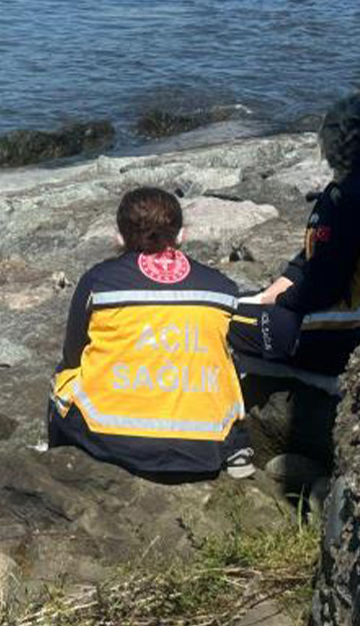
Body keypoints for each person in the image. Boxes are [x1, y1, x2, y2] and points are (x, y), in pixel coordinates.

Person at [48, 187, 248, 479]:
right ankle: (238, 448)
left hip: (115, 439)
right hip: (204, 444)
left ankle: (58, 466)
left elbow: (72, 354)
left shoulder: (99, 281)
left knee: (62, 379)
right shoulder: (222, 287)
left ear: (119, 237)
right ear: (181, 235)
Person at [231, 92, 360, 387]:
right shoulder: (347, 190)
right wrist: (268, 294)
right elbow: (311, 258)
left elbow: (322, 287)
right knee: (246, 301)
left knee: (218, 316)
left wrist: (279, 302)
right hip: (344, 318)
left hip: (340, 333)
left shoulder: (346, 199)